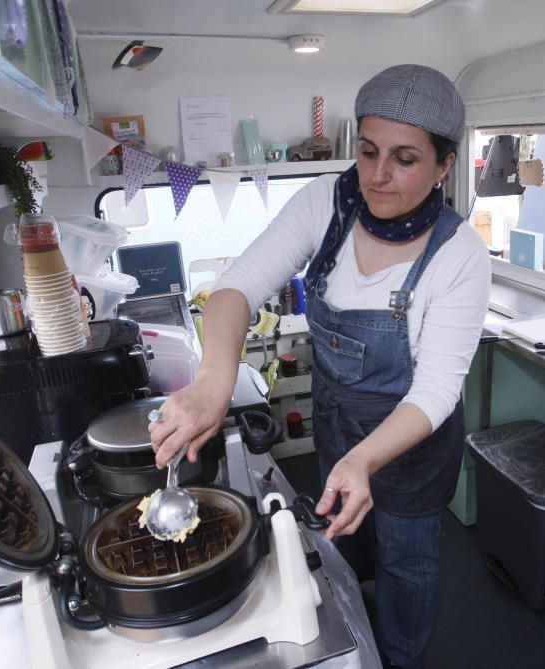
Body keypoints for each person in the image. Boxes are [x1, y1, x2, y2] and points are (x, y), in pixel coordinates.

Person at [148, 64, 491, 669]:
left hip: (411, 446)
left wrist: (365, 460)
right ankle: (355, 640)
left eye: (405, 159)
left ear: (444, 165)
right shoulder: (325, 204)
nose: (378, 176)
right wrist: (214, 382)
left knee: (408, 565)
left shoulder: (459, 256)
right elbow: (234, 291)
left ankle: (401, 657)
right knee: (342, 544)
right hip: (338, 427)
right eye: (367, 151)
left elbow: (436, 389)